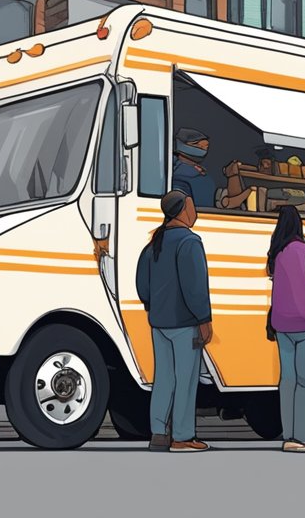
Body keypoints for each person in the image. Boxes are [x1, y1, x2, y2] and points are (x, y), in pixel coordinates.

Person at [135, 190, 212, 453]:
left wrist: (152, 307)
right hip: (185, 322)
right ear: (182, 211)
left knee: (164, 378)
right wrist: (204, 319)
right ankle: (182, 436)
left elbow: (141, 284)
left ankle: (158, 433)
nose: (195, 212)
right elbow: (195, 287)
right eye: (192, 207)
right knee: (187, 379)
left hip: (159, 323)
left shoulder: (154, 243)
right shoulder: (189, 242)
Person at [266, 205, 305, 453]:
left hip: (282, 324)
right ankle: (303, 438)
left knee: (288, 380)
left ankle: (289, 434)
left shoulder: (276, 255)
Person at [170, 128, 249, 210]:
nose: (203, 149)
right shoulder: (179, 178)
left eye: (205, 146)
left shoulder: (200, 173)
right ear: (181, 145)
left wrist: (232, 176)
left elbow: (220, 203)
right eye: (197, 145)